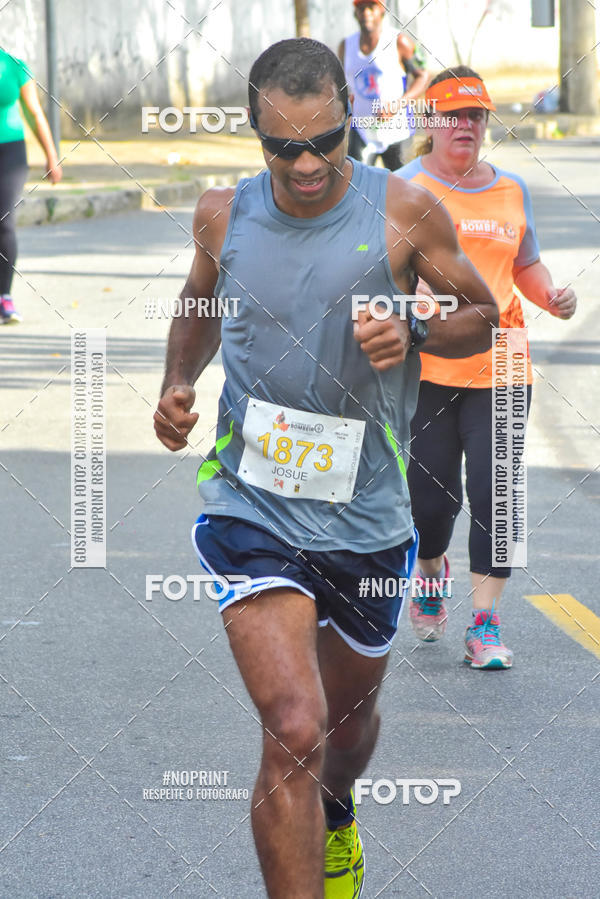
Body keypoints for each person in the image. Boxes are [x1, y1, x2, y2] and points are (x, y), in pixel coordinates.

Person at [154, 39, 496, 899]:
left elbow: (482, 317)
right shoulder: (222, 215)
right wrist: (174, 383)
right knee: (295, 727)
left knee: (342, 733)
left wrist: (416, 331)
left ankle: (338, 810)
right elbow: (198, 304)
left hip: (370, 521)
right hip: (252, 507)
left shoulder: (405, 212)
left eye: (324, 142)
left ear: (353, 118)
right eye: (282, 147)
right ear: (253, 132)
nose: (305, 165)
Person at [395, 67, 577, 669]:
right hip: (427, 369)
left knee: (497, 495)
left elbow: (527, 264)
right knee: (429, 502)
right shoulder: (403, 188)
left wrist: (549, 293)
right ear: (431, 122)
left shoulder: (511, 190)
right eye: (453, 115)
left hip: (503, 365)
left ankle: (485, 622)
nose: (465, 126)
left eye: (476, 116)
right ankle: (429, 571)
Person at [0, 46, 62, 324]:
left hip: (10, 153)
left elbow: (34, 112)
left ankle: (4, 296)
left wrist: (51, 156)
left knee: (4, 222)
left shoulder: (14, 66)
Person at [338, 0, 429, 170]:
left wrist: (398, 104)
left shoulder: (399, 41)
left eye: (371, 7)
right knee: (358, 185)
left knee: (404, 187)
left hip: (397, 132)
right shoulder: (346, 46)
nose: (366, 13)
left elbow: (422, 75)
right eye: (361, 8)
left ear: (381, 11)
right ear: (355, 13)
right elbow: (340, 85)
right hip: (362, 131)